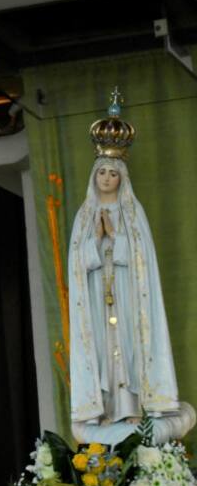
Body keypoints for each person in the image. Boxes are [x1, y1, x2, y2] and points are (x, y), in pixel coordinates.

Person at [68, 93, 193, 445]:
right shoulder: (84, 216)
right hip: (97, 298)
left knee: (129, 345)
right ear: (95, 177)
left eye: (112, 173)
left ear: (121, 178)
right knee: (106, 350)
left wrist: (117, 239)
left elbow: (142, 259)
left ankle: (134, 404)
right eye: (102, 172)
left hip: (127, 295)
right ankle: (108, 406)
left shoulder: (132, 213)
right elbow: (78, 265)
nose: (106, 178)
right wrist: (94, 241)